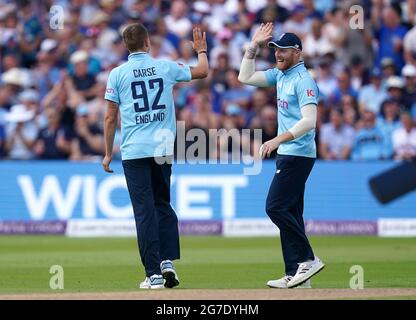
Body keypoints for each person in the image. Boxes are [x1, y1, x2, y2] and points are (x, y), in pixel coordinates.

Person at [102, 23, 208, 289]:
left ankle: (154, 274)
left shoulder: (117, 74)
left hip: (134, 150)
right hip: (162, 149)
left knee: (144, 211)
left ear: (127, 46)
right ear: (147, 43)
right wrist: (202, 50)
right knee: (162, 204)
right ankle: (167, 261)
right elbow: (203, 71)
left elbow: (109, 117)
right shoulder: (165, 67)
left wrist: (106, 154)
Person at [238, 24, 325, 289]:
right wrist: (253, 46)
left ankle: (308, 258)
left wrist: (277, 139)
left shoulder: (304, 81)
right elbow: (245, 77)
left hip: (298, 154)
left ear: (297, 53)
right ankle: (296, 274)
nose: (278, 54)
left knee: (274, 207)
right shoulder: (280, 75)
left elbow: (309, 122)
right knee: (291, 212)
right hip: (288, 154)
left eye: (284, 50)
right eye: (275, 49)